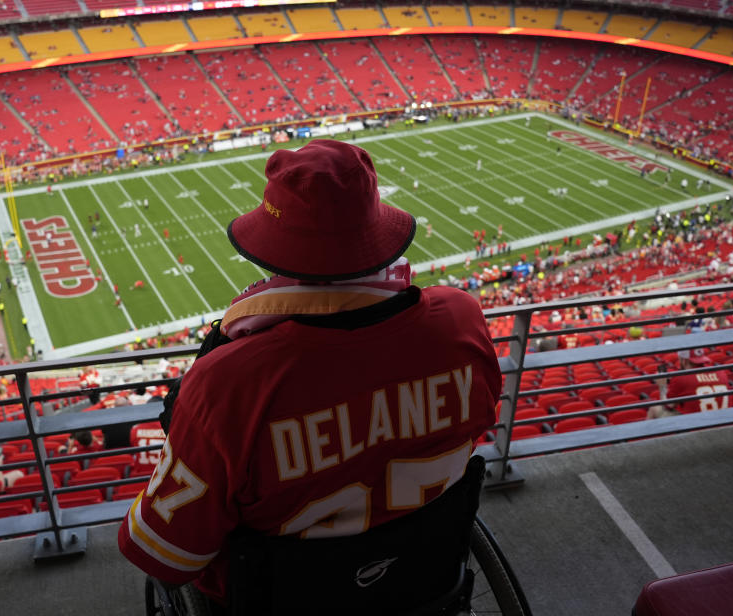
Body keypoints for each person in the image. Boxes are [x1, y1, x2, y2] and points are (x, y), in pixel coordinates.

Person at [118, 139, 500, 608]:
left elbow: (162, 554)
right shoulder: (460, 318)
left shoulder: (230, 381)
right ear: (375, 232)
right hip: (425, 580)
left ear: (274, 254)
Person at [649, 348, 730, 418]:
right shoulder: (721, 372)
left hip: (696, 424)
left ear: (683, 361)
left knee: (653, 409)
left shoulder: (681, 378)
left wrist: (662, 386)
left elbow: (668, 406)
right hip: (724, 419)